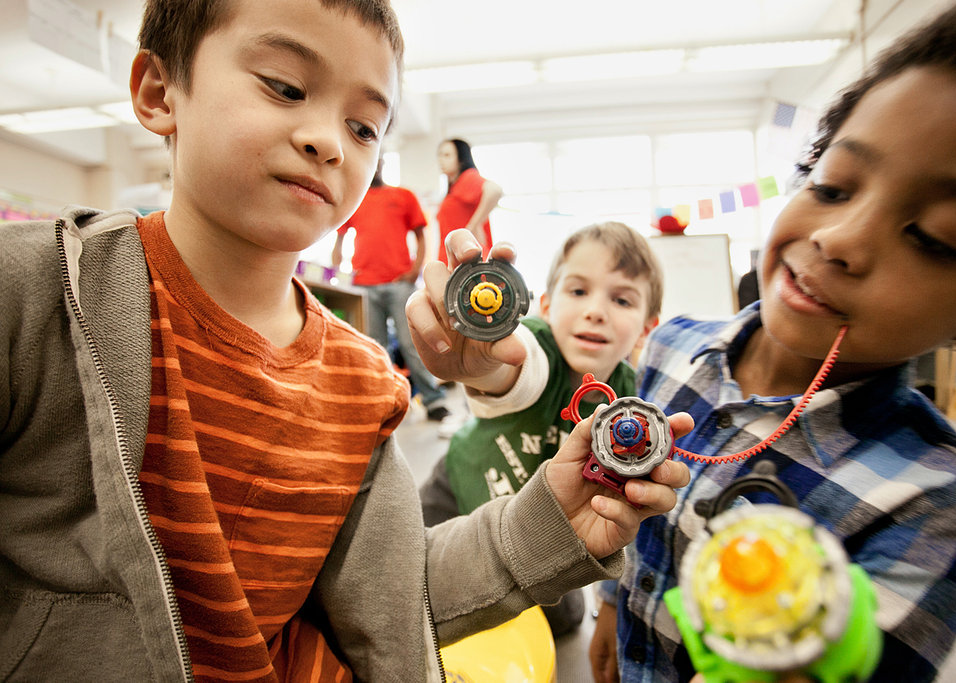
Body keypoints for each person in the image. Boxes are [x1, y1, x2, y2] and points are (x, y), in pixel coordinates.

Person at [0, 1, 693, 680]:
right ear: (159, 91)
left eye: (364, 127)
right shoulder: (37, 293)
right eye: (285, 87)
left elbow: (388, 598)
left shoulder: (362, 380)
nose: (329, 140)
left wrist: (554, 519)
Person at [588, 1, 956, 681]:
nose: (838, 238)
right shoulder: (668, 348)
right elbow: (628, 503)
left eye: (933, 237)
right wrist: (612, 602)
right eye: (833, 185)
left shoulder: (933, 505)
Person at [417, 221, 664, 635]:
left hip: (535, 530)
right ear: (546, 306)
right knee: (412, 582)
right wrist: (486, 363)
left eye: (621, 299)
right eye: (579, 291)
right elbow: (514, 369)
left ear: (646, 327)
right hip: (462, 485)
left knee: (564, 621)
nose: (595, 311)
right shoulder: (538, 347)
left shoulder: (628, 400)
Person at [331, 158, 452, 421]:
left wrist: (415, 270)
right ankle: (383, 404)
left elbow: (422, 235)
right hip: (363, 284)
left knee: (413, 344)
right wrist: (336, 267)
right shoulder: (355, 198)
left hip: (399, 284)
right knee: (375, 347)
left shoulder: (403, 195)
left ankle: (434, 402)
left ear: (380, 163)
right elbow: (339, 237)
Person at [436, 137, 503, 265]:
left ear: (461, 159)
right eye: (440, 155)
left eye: (447, 155)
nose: (441, 160)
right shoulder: (454, 187)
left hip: (467, 259)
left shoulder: (467, 178)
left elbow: (495, 190)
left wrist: (474, 225)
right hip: (456, 259)